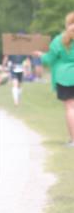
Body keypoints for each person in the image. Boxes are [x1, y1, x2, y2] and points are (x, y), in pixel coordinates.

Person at [41, 12, 74, 145]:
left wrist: (40, 55)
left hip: (64, 77)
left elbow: (48, 59)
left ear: (67, 25)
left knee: (70, 108)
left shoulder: (59, 40)